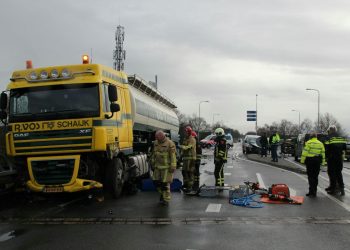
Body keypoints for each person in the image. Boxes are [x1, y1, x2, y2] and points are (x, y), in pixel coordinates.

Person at [150, 130, 177, 206]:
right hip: (157, 167)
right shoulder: (155, 143)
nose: (156, 139)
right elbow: (153, 154)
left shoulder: (170, 143)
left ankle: (166, 199)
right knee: (156, 182)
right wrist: (152, 163)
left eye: (157, 137)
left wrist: (173, 166)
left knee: (165, 184)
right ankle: (162, 194)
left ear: (162, 136)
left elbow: (173, 156)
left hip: (166, 168)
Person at [300, 132, 325, 197]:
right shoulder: (320, 143)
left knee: (310, 176)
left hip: (310, 161)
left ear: (311, 137)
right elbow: (323, 153)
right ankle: (314, 191)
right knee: (315, 176)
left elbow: (305, 152)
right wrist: (323, 162)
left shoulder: (308, 142)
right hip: (317, 161)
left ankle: (311, 191)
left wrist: (302, 161)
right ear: (316, 137)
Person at [324, 125, 346, 195]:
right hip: (339, 157)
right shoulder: (341, 137)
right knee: (339, 173)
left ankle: (333, 189)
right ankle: (342, 189)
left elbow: (326, 149)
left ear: (330, 130)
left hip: (331, 158)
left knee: (332, 173)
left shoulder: (328, 137)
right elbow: (344, 147)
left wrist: (326, 157)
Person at [179, 126, 196, 192]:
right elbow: (183, 150)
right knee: (184, 171)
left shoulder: (192, 139)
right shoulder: (185, 139)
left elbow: (189, 147)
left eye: (186, 132)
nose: (185, 133)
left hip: (191, 158)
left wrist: (181, 146)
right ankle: (186, 184)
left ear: (189, 132)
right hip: (185, 158)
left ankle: (190, 186)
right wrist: (180, 156)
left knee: (190, 172)